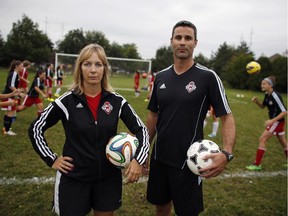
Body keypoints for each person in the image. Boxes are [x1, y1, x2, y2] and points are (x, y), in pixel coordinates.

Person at [28, 44, 149, 216]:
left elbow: (142, 130)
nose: (93, 70)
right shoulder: (66, 101)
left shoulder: (116, 101)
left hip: (108, 180)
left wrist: (138, 159)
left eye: (98, 64)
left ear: (105, 69)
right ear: (80, 68)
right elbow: (35, 129)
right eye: (87, 64)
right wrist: (51, 159)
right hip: (74, 178)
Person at [144, 20, 236, 216]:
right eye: (178, 38)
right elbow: (153, 115)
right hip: (160, 157)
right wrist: (145, 150)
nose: (182, 42)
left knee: (187, 212)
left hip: (191, 160)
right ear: (171, 42)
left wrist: (226, 153)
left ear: (195, 43)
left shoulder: (208, 77)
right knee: (160, 207)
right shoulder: (160, 76)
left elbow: (226, 117)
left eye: (188, 38)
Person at [246, 76, 287, 171]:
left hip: (277, 122)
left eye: (264, 83)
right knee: (283, 143)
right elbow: (263, 106)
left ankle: (257, 164)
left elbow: (285, 111)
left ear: (270, 85)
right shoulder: (267, 95)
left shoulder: (275, 95)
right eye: (262, 83)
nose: (262, 85)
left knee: (262, 139)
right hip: (278, 122)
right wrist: (257, 102)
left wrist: (272, 121)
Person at [1, 60, 25, 136]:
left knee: (10, 112)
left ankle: (6, 128)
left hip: (10, 95)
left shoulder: (16, 74)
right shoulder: (14, 73)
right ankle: (7, 130)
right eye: (21, 66)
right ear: (16, 66)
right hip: (8, 95)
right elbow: (11, 86)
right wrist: (19, 93)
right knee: (10, 113)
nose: (22, 68)